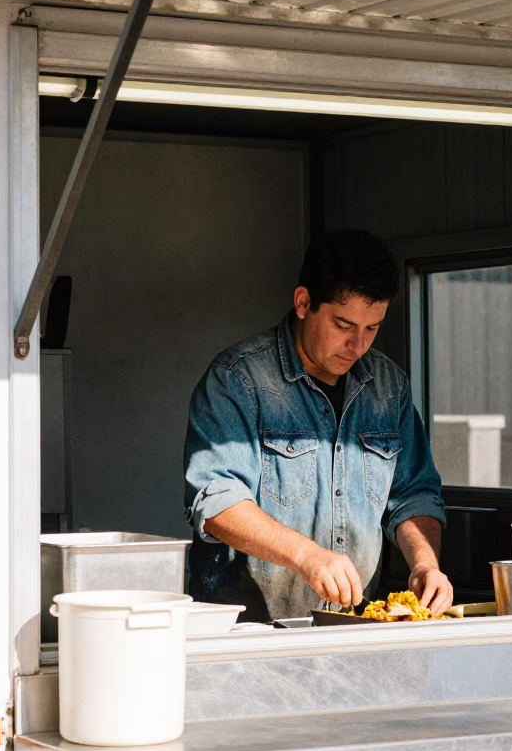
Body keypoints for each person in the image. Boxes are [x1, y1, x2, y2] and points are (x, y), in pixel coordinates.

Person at [184, 229, 451, 622]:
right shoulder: (237, 379)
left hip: (350, 625)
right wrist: (306, 555)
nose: (358, 345)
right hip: (245, 629)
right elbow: (216, 501)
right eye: (344, 324)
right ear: (303, 302)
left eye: (372, 328)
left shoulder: (389, 386)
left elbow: (413, 494)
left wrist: (425, 563)